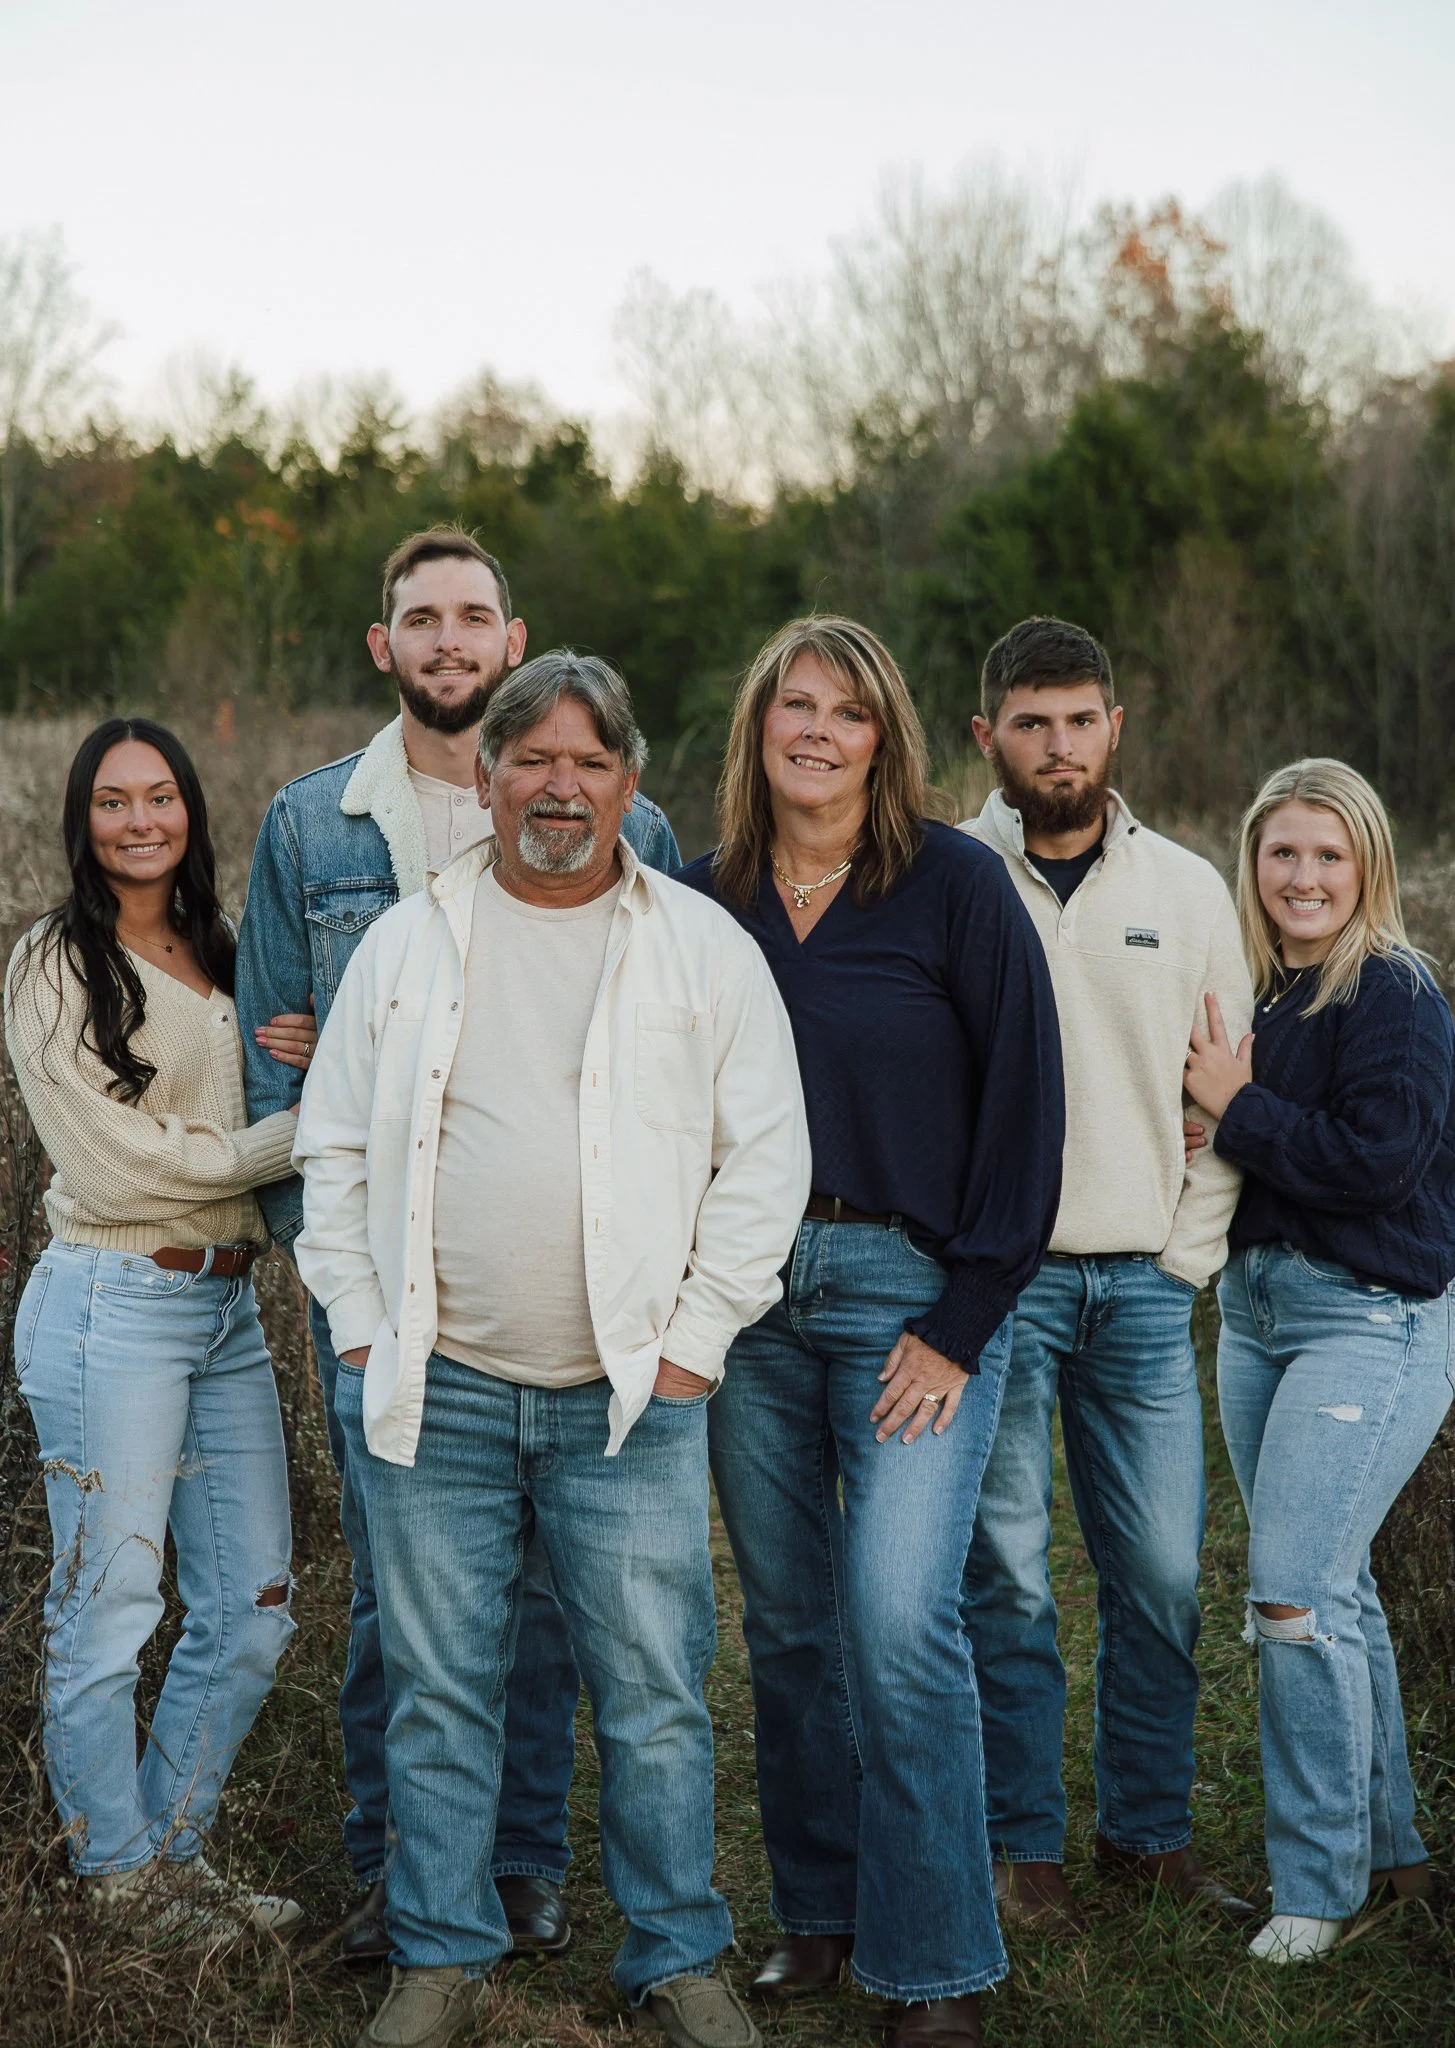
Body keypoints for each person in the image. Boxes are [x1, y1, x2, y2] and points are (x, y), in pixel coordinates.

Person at [294, 650, 808, 2048]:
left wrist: (697, 1341)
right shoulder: (411, 940)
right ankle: (440, 1954)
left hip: (628, 1398)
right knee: (438, 1687)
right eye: (532, 759)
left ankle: (675, 1956)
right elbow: (332, 1147)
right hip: (437, 1389)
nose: (559, 787)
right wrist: (357, 1324)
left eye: (589, 763)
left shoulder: (697, 946)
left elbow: (762, 1160)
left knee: (649, 1697)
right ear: (484, 774)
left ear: (629, 785)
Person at [235, 527, 682, 1960]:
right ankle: (393, 1871)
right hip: (377, 1290)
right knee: (397, 1594)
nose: (444, 640)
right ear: (384, 647)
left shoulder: (633, 822)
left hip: (562, 1283)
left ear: (511, 638)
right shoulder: (314, 828)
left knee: (546, 1592)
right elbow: (276, 1076)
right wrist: (345, 1299)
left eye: (470, 616)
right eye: (417, 618)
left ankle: (521, 1867)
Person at [680, 617, 1063, 2048]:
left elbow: (1029, 1117)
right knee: (785, 1629)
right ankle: (820, 1914)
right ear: (758, 725)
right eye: (796, 704)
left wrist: (962, 1324)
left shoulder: (953, 887)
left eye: (848, 710)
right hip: (746, 1304)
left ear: (884, 737)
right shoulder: (697, 896)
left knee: (900, 1620)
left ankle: (939, 1963)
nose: (819, 731)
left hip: (910, 1297)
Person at [961, 615, 1254, 1929]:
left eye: (1079, 719)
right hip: (997, 1287)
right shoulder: (943, 875)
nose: (1057, 745)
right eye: (1031, 722)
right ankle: (1022, 1847)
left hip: (1140, 1284)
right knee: (1009, 1577)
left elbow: (1223, 1093)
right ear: (987, 738)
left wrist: (1182, 1260)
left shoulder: (1186, 891)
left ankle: (1144, 1836)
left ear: (1114, 727)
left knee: (1158, 1580)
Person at [5, 718, 317, 1940]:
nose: (142, 820)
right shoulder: (50, 960)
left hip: (228, 1305)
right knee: (112, 1600)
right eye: (114, 801)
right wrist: (292, 1129)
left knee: (254, 1602)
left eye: (163, 797)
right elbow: (114, 1164)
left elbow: (250, 1083)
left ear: (191, 808)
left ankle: (169, 1858)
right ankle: (119, 1882)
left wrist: (280, 1050)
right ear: (82, 820)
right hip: (109, 1306)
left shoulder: (224, 946)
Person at [1182, 758, 1455, 1965]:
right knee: (1332, 1589)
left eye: (1328, 855)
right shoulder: (1258, 994)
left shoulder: (1392, 990)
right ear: (1253, 862)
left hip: (1370, 1316)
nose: (1303, 876)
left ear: (1368, 868)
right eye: (1282, 852)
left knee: (1287, 1596)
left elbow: (1380, 1160)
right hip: (1258, 1315)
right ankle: (1391, 1853)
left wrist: (1238, 1110)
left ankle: (1318, 1883)